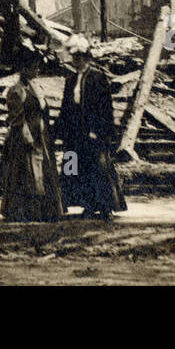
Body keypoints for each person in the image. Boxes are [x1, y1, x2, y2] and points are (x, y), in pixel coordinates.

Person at [57, 34, 127, 220]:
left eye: (80, 57)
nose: (76, 61)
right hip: (74, 135)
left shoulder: (97, 78)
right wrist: (60, 130)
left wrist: (99, 131)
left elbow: (105, 108)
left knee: (97, 169)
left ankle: (104, 206)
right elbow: (66, 107)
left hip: (93, 134)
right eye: (74, 58)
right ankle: (84, 204)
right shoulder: (70, 80)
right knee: (73, 168)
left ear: (87, 57)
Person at [0, 52, 63, 222]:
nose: (37, 70)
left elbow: (43, 111)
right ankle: (25, 211)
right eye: (34, 67)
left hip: (41, 135)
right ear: (24, 69)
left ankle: (46, 210)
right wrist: (28, 139)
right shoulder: (15, 91)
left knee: (44, 171)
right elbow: (17, 118)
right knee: (28, 172)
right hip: (25, 138)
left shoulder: (36, 88)